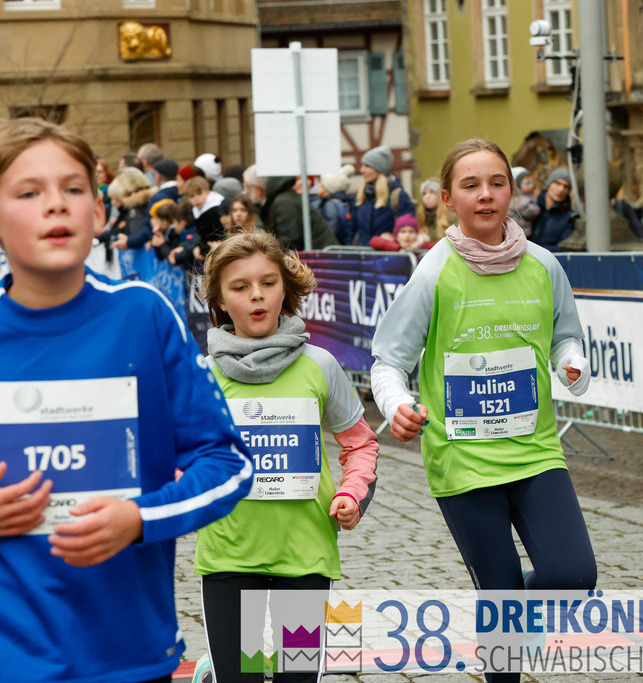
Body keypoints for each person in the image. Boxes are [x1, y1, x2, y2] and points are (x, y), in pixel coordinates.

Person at [0, 116, 252, 682]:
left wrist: (141, 517)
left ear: (98, 208)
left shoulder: (142, 315)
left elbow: (228, 465)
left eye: (72, 188)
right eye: (28, 192)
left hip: (129, 656)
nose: (56, 205)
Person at [370, 138, 596, 683]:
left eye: (496, 183)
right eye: (470, 185)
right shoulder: (433, 273)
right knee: (500, 605)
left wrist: (574, 366)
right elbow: (387, 362)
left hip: (535, 451)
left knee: (572, 575)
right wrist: (398, 405)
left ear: (513, 191)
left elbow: (568, 339)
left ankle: (507, 615)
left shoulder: (544, 266)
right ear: (448, 198)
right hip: (463, 459)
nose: (486, 195)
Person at [194, 226, 379, 683]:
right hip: (228, 556)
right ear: (219, 300)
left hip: (307, 555)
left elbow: (360, 443)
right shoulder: (203, 375)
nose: (257, 296)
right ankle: (219, 671)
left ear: (286, 287)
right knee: (243, 677)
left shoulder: (319, 364)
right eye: (240, 287)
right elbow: (183, 459)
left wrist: (353, 495)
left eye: (268, 283)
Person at [353, 145, 414, 246]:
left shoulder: (399, 196)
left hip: (388, 257)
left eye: (367, 166)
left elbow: (407, 230)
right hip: (363, 255)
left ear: (379, 169)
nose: (361, 170)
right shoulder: (361, 195)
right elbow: (352, 228)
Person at [260, 175, 340, 251]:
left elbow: (290, 241)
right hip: (321, 255)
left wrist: (264, 247)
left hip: (321, 258)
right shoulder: (287, 198)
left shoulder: (285, 202)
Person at [529, 167, 577, 252]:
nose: (561, 189)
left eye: (566, 187)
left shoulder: (570, 217)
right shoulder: (531, 207)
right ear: (549, 184)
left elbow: (563, 247)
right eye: (558, 183)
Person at [318, 166, 357, 245]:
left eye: (322, 185)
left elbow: (331, 232)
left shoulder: (330, 205)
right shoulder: (348, 201)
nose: (319, 187)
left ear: (327, 189)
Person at [415, 177, 455, 242]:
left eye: (432, 192)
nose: (427, 197)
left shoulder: (451, 215)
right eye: (424, 193)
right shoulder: (419, 215)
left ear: (440, 196)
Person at [508, 167, 540, 236]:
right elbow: (533, 211)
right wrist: (534, 200)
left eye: (532, 182)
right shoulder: (521, 200)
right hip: (522, 233)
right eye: (527, 183)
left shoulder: (513, 198)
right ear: (518, 185)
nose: (531, 186)